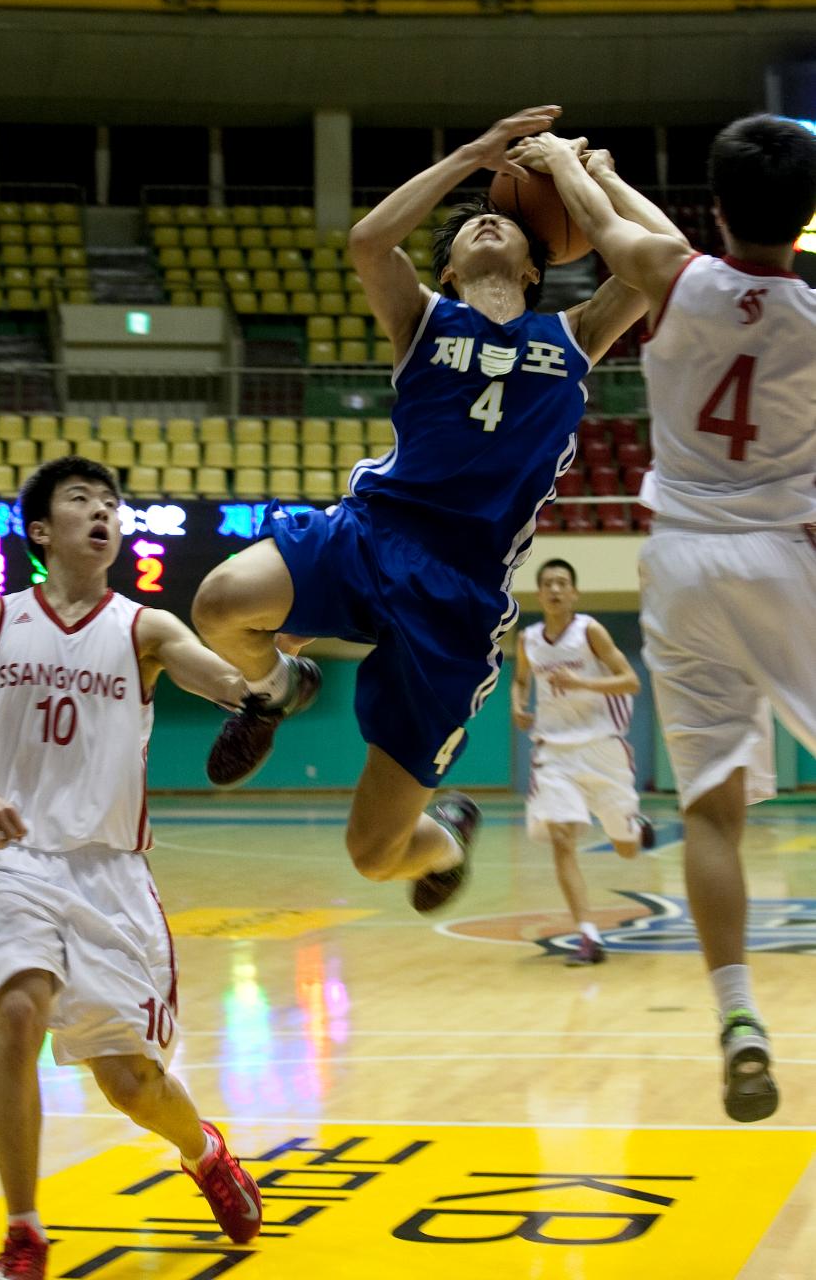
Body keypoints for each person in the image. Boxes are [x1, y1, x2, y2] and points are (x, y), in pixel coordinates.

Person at [191, 104, 672, 916]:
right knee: (218, 605)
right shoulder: (420, 319)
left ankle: (448, 834)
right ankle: (276, 689)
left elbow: (665, 264)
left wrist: (598, 180)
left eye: (501, 220)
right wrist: (473, 156)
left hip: (458, 595)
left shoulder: (573, 334)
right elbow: (367, 242)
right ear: (445, 269)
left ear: (533, 265)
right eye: (468, 225)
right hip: (372, 532)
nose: (485, 222)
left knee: (374, 854)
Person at [516, 116, 816, 1121]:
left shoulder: (671, 277)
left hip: (679, 562)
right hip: (783, 555)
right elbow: (646, 236)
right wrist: (594, 180)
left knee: (709, 811)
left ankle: (734, 1010)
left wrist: (569, 163)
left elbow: (619, 232)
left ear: (717, 206)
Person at [0, 457, 263, 1280]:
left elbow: (222, 679)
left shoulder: (146, 629)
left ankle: (203, 1152)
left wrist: (263, 691)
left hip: (107, 875)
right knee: (17, 1016)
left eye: (111, 504)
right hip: (9, 862)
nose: (102, 512)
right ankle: (25, 1233)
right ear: (40, 530)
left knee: (131, 1084)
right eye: (81, 500)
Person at [512, 557, 654, 966]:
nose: (555, 590)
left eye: (562, 583)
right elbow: (521, 680)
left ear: (574, 593)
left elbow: (631, 681)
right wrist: (519, 705)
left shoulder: (589, 631)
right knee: (561, 838)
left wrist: (581, 682)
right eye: (548, 584)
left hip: (602, 748)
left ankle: (631, 825)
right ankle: (588, 936)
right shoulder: (528, 640)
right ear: (539, 594)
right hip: (554, 751)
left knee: (626, 850)